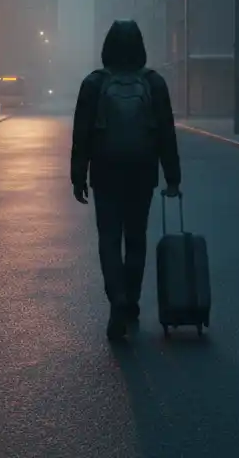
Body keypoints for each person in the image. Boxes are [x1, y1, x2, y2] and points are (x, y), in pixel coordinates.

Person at [71, 19, 183, 340]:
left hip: (105, 172)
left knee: (109, 238)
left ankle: (116, 299)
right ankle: (131, 301)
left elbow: (81, 136)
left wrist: (78, 176)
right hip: (142, 171)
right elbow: (166, 134)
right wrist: (172, 178)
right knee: (136, 239)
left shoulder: (93, 84)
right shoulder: (154, 83)